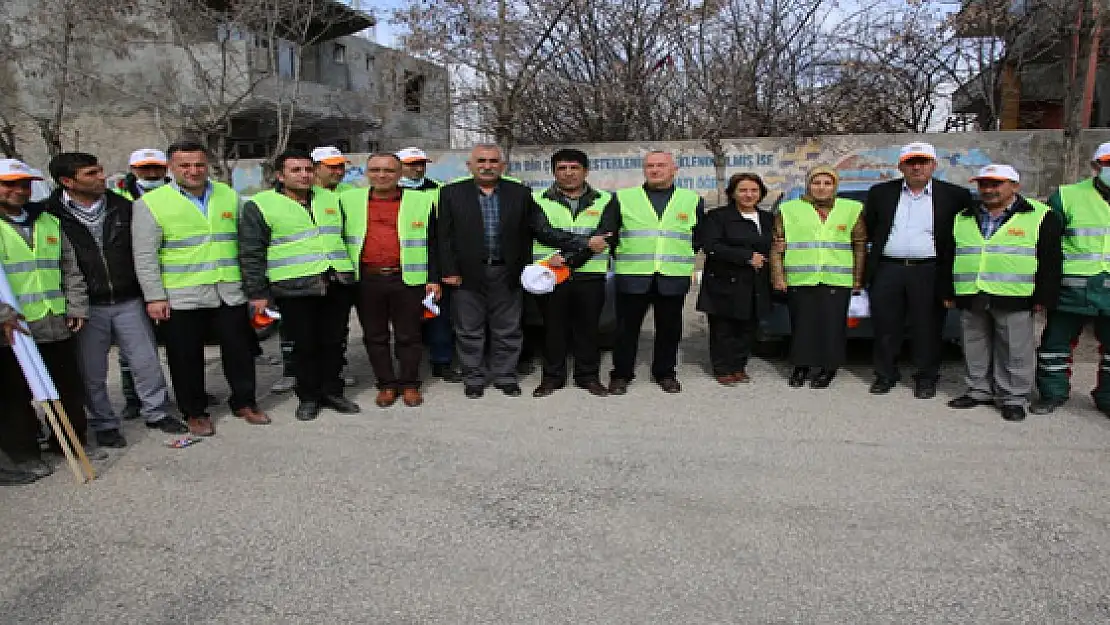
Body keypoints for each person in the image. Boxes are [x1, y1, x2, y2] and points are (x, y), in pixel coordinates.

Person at [437, 144, 604, 399]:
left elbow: (542, 230)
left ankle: (505, 376)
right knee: (469, 329)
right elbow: (443, 236)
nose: (487, 166)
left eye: (494, 161)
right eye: (481, 161)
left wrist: (582, 242)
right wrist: (448, 270)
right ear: (470, 165)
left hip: (508, 272)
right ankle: (474, 378)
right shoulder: (451, 194)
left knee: (508, 329)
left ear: (502, 166)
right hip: (466, 274)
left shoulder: (519, 193)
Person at [45, 152, 184, 448]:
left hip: (128, 298)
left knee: (146, 362)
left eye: (100, 171)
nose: (101, 177)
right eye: (91, 173)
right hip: (87, 305)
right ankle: (104, 423)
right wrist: (73, 304)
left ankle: (156, 412)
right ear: (67, 181)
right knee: (92, 371)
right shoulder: (50, 214)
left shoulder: (124, 207)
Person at [132, 141, 270, 436]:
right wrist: (155, 296)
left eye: (199, 164)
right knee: (185, 357)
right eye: (185, 165)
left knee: (240, 352)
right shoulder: (151, 204)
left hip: (229, 290)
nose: (193, 171)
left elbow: (244, 242)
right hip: (182, 295)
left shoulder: (228, 195)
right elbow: (145, 256)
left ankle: (245, 402)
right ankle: (194, 411)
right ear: (171, 168)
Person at [239, 150, 360, 421]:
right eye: (296, 170)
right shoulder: (260, 205)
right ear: (280, 175)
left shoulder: (332, 199)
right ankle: (308, 397)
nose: (304, 175)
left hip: (336, 283)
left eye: (308, 169)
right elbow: (251, 252)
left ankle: (332, 391)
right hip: (294, 287)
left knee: (334, 343)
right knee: (303, 346)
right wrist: (257, 293)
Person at [942, 165, 1062, 422]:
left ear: (1015, 186)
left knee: (1015, 349)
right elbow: (949, 256)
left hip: (1015, 294)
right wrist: (948, 290)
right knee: (974, 345)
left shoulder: (1041, 216)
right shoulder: (963, 216)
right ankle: (978, 390)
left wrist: (1044, 297)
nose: (988, 189)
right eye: (983, 184)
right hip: (971, 292)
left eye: (996, 184)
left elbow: (1051, 261)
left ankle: (1013, 398)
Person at [0, 158, 92, 479]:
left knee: (67, 388)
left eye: (23, 183)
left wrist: (76, 306)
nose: (18, 190)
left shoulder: (48, 221)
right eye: (9, 184)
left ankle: (67, 442)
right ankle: (21, 455)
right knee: (14, 396)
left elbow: (70, 269)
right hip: (12, 330)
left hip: (54, 322)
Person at [863, 142, 974, 399]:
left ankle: (926, 377)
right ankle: (885, 374)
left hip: (929, 270)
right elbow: (870, 228)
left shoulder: (955, 196)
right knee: (885, 326)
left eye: (923, 161)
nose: (917, 167)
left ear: (934, 165)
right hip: (889, 268)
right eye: (911, 162)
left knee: (928, 327)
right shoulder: (881, 193)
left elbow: (963, 237)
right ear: (900, 166)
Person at [340, 153, 439, 407]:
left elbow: (436, 242)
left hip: (407, 279)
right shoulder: (348, 199)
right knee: (375, 336)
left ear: (400, 173)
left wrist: (434, 278)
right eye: (375, 170)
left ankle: (409, 384)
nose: (382, 175)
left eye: (388, 170)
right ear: (366, 172)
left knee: (409, 335)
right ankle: (385, 384)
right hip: (367, 279)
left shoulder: (421, 201)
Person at [609, 150, 705, 395]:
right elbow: (610, 233)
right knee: (626, 329)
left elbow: (698, 237)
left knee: (669, 328)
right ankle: (621, 374)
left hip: (672, 275)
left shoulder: (692, 199)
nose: (655, 170)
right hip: (633, 274)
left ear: (674, 169)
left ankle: (665, 372)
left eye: (661, 165)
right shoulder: (623, 198)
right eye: (650, 165)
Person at [531, 148, 619, 398]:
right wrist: (584, 244)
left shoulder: (605, 200)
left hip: (590, 275)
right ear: (554, 172)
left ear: (585, 171)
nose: (568, 173)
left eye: (574, 168)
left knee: (588, 329)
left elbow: (605, 237)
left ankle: (588, 376)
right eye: (562, 168)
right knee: (552, 329)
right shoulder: (537, 199)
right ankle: (552, 378)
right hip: (551, 275)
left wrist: (570, 258)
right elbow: (543, 232)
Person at [1032, 142, 1110, 416]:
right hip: (1072, 288)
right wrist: (1046, 289)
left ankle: (1108, 398)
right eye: (1107, 163)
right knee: (1056, 344)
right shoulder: (1067, 196)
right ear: (1095, 166)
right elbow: (1048, 246)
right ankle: (1052, 394)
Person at [771, 166, 866, 389]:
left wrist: (857, 278)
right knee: (802, 325)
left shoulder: (851, 209)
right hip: (800, 277)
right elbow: (776, 245)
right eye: (816, 182)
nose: (821, 188)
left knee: (832, 326)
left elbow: (859, 245)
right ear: (808, 184)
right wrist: (778, 276)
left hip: (837, 278)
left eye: (827, 183)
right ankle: (801, 366)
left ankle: (828, 368)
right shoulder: (789, 209)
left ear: (835, 186)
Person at [112, 148, 173, 418]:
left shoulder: (177, 195)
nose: (151, 173)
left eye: (157, 168)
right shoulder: (116, 199)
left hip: (173, 278)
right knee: (131, 349)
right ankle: (133, 398)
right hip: (131, 281)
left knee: (178, 343)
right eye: (145, 168)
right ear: (133, 169)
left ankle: (184, 391)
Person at [696, 172, 773, 385]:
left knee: (748, 328)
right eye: (743, 190)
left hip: (755, 284)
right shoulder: (718, 216)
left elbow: (771, 245)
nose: (749, 195)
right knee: (723, 329)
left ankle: (739, 366)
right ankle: (722, 369)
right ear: (733, 193)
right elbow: (711, 246)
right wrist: (746, 256)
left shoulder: (768, 218)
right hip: (725, 281)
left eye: (754, 190)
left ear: (761, 193)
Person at [397, 146, 460, 382]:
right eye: (411, 163)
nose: (417, 167)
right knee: (405, 320)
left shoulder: (440, 191)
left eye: (421, 163)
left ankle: (442, 362)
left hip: (435, 264)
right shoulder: (390, 193)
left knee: (439, 318)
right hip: (402, 267)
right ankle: (405, 364)